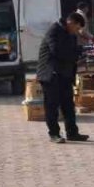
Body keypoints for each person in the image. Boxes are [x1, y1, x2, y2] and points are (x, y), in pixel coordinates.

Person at [37, 12, 90, 144]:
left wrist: (83, 52)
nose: (77, 31)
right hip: (51, 74)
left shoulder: (71, 34)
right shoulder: (54, 30)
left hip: (65, 74)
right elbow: (57, 51)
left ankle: (72, 133)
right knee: (52, 106)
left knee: (68, 106)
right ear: (71, 22)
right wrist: (76, 54)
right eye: (77, 28)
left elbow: (73, 50)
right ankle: (54, 133)